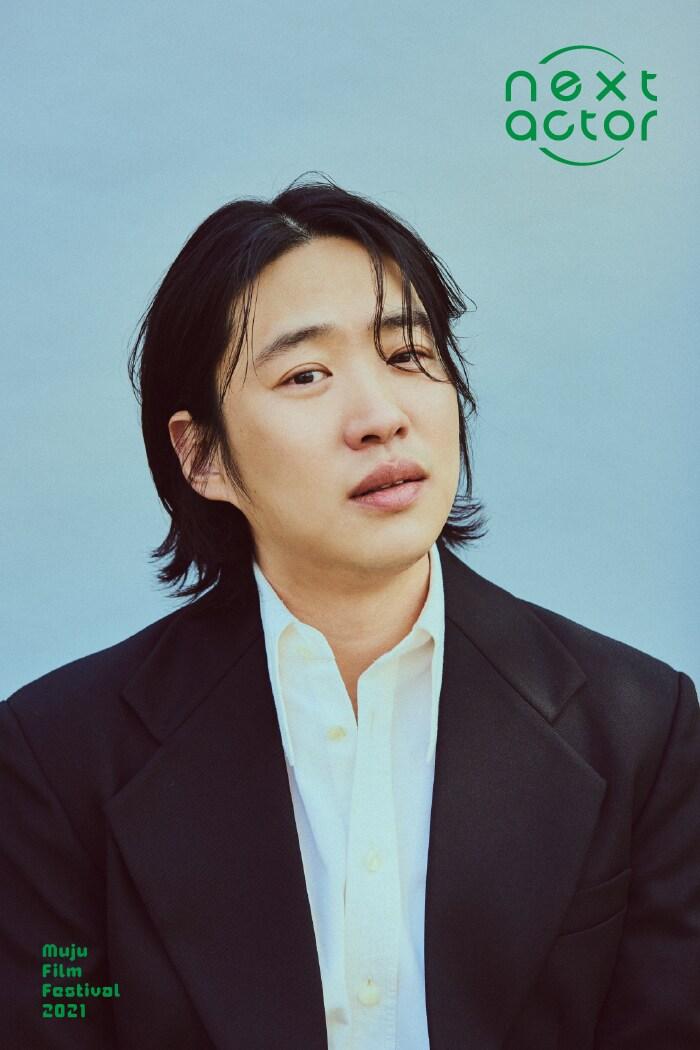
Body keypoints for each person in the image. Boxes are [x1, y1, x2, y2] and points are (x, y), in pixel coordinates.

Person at [1, 176, 698, 1050]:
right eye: (306, 375)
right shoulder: (58, 759)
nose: (380, 417)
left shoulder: (641, 729)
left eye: (407, 356)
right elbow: (58, 1016)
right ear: (202, 455)